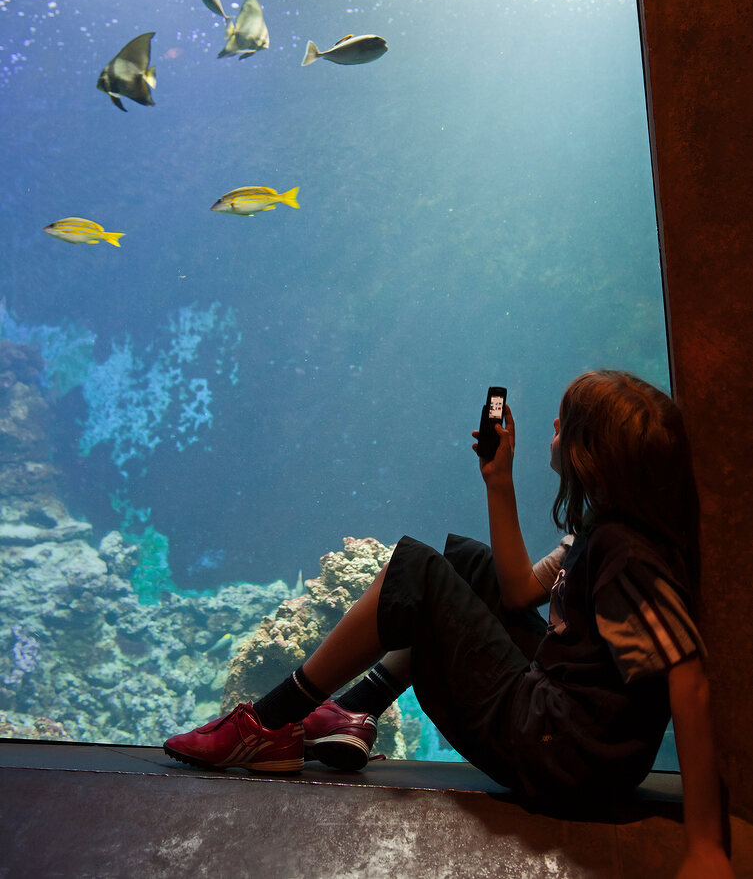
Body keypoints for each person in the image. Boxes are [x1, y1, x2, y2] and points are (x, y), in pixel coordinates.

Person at [164, 370, 734, 878]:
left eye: (569, 424)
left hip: (562, 753)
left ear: (594, 456)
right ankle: (354, 712)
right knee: (465, 567)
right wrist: (498, 479)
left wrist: (706, 846)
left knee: (414, 573)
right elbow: (515, 593)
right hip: (563, 733)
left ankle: (266, 727)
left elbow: (689, 678)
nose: (554, 426)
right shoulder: (600, 533)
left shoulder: (626, 555)